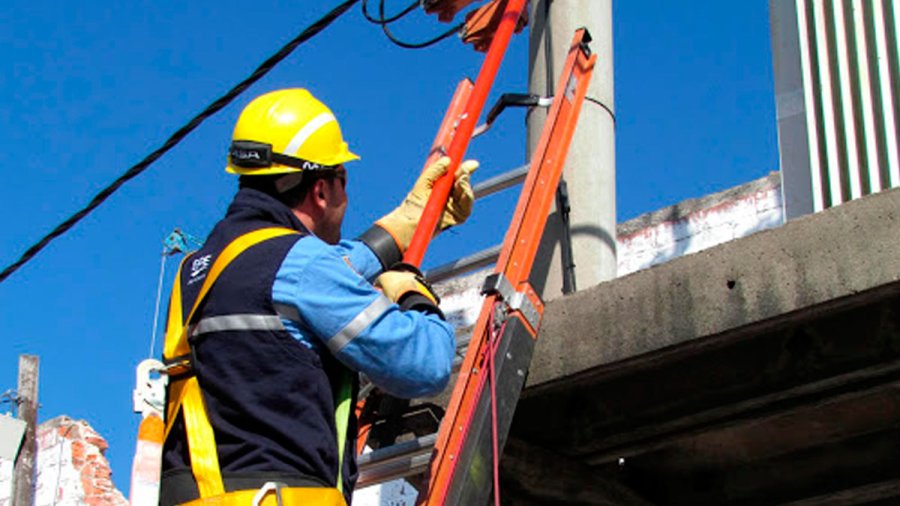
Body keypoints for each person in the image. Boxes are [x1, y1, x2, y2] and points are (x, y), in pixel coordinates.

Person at [158, 88, 478, 505]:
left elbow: (315, 273)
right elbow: (427, 365)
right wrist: (415, 294)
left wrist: (408, 223)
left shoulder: (199, 271)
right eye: (344, 180)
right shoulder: (301, 265)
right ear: (322, 190)